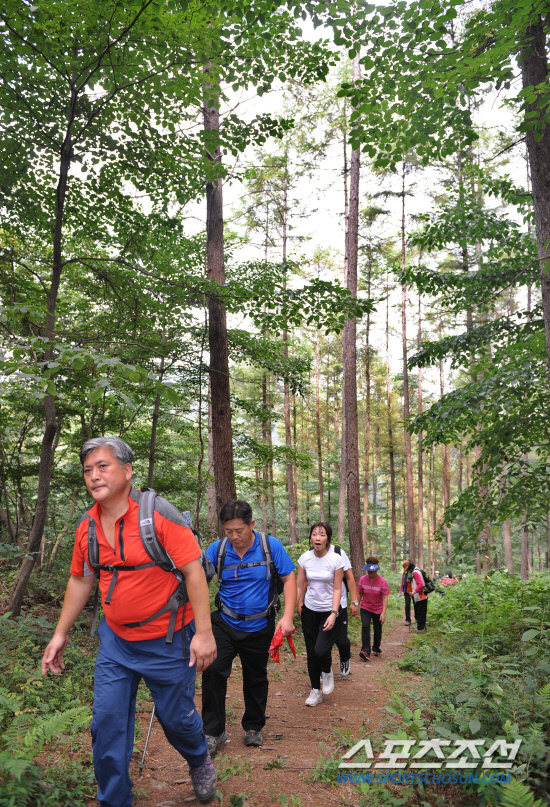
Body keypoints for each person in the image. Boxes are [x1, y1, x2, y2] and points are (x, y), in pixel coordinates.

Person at [41, 436, 218, 806]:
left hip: (169, 641)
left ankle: (199, 758)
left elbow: (193, 572)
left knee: (176, 720)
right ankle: (115, 799)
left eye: (103, 466)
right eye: (88, 469)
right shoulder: (87, 527)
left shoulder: (158, 516)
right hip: (116, 643)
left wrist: (204, 633)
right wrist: (60, 634)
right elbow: (81, 579)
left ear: (127, 471)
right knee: (107, 723)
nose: (94, 475)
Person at [201, 499, 296, 755]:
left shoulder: (270, 546)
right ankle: (213, 731)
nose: (234, 537)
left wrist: (288, 617)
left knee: (256, 677)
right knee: (214, 671)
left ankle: (253, 726)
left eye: (239, 531)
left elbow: (289, 578)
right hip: (224, 622)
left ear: (251, 524)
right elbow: (198, 581)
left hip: (259, 624)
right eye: (228, 531)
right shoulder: (217, 550)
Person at [297, 522, 345, 707]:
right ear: (311, 537)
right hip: (309, 610)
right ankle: (315, 690)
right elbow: (300, 584)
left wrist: (334, 613)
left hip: (329, 611)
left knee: (320, 649)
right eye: (315, 534)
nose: (318, 538)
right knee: (311, 652)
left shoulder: (335, 559)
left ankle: (327, 670)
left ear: (328, 539)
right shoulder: (305, 558)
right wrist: (298, 604)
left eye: (322, 534)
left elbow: (337, 589)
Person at [328, 543, 359, 676]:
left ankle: (345, 658)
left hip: (340, 604)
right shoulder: (312, 552)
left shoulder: (338, 552)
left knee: (341, 640)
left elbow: (349, 577)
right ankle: (324, 668)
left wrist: (354, 601)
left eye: (323, 534)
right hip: (320, 606)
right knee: (322, 640)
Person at [357, 557, 389, 661]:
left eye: (372, 570)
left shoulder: (382, 581)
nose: (370, 572)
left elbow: (385, 598)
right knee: (365, 626)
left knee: (377, 629)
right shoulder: (362, 579)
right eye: (368, 570)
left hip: (378, 609)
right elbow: (359, 593)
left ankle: (376, 648)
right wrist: (356, 607)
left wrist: (383, 613)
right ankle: (366, 650)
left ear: (376, 570)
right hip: (365, 607)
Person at [404, 559, 428, 632]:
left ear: (409, 568)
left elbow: (420, 584)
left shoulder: (415, 573)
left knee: (420, 612)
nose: (407, 571)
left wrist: (414, 592)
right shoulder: (416, 570)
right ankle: (422, 628)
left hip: (421, 596)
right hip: (420, 595)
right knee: (420, 612)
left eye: (407, 569)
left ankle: (421, 629)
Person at [399, 559, 413, 626]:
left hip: (414, 591)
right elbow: (402, 582)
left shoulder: (414, 572)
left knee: (416, 605)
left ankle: (417, 619)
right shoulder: (405, 573)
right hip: (406, 591)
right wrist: (400, 590)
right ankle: (408, 620)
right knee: (407, 605)